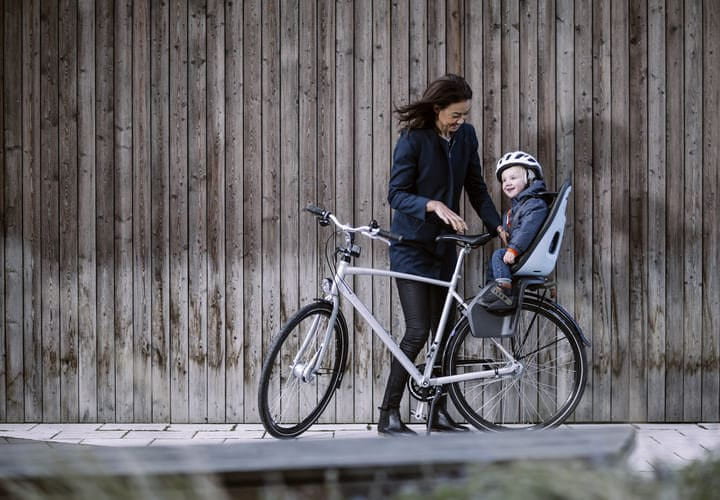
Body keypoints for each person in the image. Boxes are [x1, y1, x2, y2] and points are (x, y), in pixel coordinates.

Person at [380, 74, 505, 436]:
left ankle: (439, 412)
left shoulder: (465, 137)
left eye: (465, 115)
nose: (461, 121)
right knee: (418, 331)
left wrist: (497, 226)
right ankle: (388, 413)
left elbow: (476, 187)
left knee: (445, 334)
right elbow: (397, 194)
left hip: (444, 248)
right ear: (437, 110)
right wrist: (432, 204)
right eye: (455, 115)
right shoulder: (413, 140)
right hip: (411, 247)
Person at [480, 151, 549, 311]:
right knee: (494, 261)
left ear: (529, 178)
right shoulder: (520, 206)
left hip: (526, 252)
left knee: (498, 255)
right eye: (504, 180)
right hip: (523, 252)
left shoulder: (534, 204)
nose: (507, 183)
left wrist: (513, 249)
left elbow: (527, 230)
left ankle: (503, 289)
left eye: (513, 178)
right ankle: (492, 291)